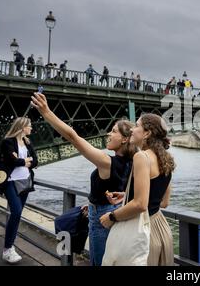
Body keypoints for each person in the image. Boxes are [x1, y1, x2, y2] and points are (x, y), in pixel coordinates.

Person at [30, 92, 136, 266]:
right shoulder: (133, 162)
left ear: (125, 139)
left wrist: (46, 112)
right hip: (115, 212)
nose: (108, 134)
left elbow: (73, 137)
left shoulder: (107, 162)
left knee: (99, 262)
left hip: (102, 217)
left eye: (114, 131)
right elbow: (124, 189)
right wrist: (96, 200)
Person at [100, 113, 175, 266]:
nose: (132, 130)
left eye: (137, 126)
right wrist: (127, 195)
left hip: (143, 234)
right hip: (160, 230)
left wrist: (112, 217)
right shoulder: (165, 157)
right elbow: (164, 202)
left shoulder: (142, 157)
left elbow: (140, 204)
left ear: (147, 133)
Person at [0, 117, 38, 263]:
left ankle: (10, 246)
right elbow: (10, 161)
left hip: (25, 182)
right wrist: (25, 161)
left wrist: (23, 161)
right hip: (10, 182)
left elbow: (36, 160)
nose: (31, 128)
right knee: (16, 211)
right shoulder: (7, 142)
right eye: (29, 126)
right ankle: (7, 249)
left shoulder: (27, 142)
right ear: (22, 127)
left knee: (18, 213)